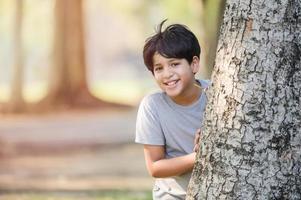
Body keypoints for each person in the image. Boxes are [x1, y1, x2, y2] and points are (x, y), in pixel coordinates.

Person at [135, 19, 209, 199]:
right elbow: (155, 166)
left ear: (194, 64)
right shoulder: (152, 107)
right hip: (173, 194)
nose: (167, 74)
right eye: (159, 68)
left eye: (174, 64)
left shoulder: (218, 95)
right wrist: (200, 156)